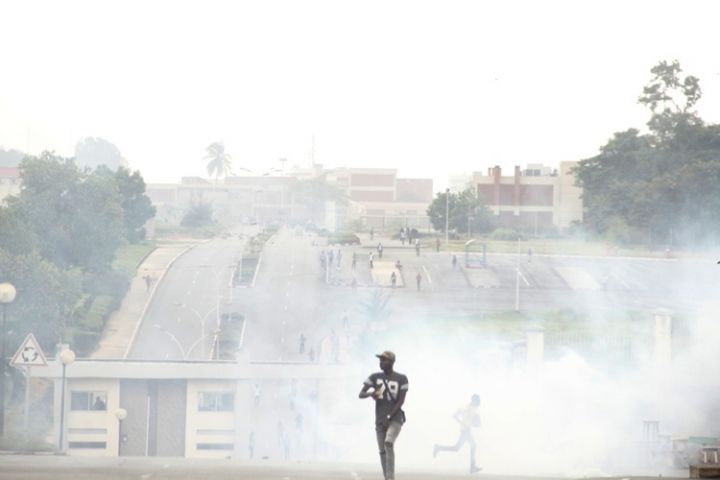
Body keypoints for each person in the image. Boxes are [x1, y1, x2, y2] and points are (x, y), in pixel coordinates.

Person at [359, 351, 409, 480]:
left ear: (392, 362)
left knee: (388, 443)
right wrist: (371, 393)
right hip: (380, 419)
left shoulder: (402, 378)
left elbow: (401, 400)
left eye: (384, 360)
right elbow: (361, 394)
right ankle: (386, 477)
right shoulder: (374, 377)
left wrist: (389, 417)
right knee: (382, 451)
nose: (381, 362)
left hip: (395, 418)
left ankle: (390, 478)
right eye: (380, 360)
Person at [433, 394, 482, 474]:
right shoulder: (467, 408)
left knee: (456, 448)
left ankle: (438, 447)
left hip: (466, 430)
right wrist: (463, 424)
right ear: (473, 400)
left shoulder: (471, 408)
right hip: (465, 431)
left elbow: (471, 420)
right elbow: (455, 416)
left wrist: (472, 423)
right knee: (472, 445)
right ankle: (472, 467)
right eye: (476, 401)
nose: (477, 403)